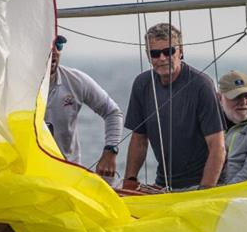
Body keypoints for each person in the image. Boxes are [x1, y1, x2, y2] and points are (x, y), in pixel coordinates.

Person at [122, 23, 225, 191]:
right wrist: (130, 181)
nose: (162, 58)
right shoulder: (142, 84)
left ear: (181, 51)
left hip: (198, 184)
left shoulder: (202, 85)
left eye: (169, 51)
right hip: (163, 184)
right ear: (148, 56)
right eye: (155, 53)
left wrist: (204, 190)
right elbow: (139, 139)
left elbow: (217, 146)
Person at [44, 35, 124, 180]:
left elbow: (113, 112)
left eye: (58, 45)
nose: (54, 51)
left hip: (68, 175)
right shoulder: (15, 84)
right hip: (29, 176)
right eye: (46, 45)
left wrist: (110, 150)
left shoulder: (76, 80)